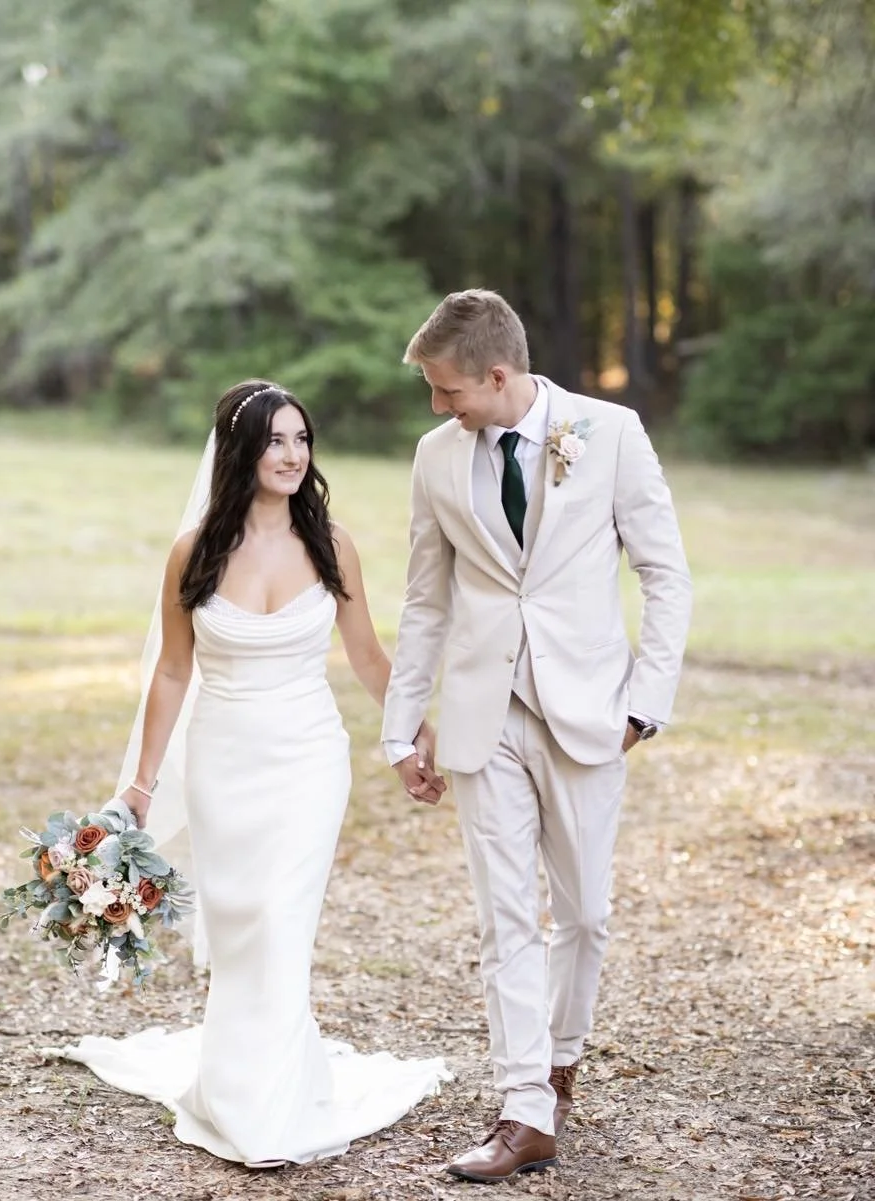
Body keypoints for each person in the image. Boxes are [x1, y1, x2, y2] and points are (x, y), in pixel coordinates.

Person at [56, 380, 450, 1167]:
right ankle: (236, 1088)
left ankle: (275, 1106)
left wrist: (408, 735)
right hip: (223, 759)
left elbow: (369, 654)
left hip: (309, 756)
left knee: (281, 919)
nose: (293, 455)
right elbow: (171, 673)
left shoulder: (332, 544)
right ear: (241, 451)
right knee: (240, 926)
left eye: (302, 440)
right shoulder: (194, 550)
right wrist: (140, 784)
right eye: (276, 440)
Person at [382, 290, 693, 1183]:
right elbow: (425, 599)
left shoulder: (612, 432)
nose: (440, 408)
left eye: (448, 391)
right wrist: (403, 726)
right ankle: (524, 1106)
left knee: (585, 914)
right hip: (486, 718)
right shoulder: (435, 459)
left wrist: (645, 702)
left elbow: (667, 576)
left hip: (591, 711)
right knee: (505, 918)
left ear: (498, 374)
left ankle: (560, 1060)